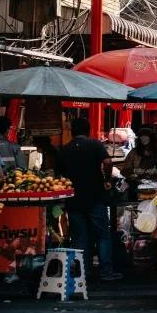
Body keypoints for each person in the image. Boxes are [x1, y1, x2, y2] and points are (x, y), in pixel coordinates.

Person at [57, 117, 122, 281]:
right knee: (102, 235)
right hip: (95, 197)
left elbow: (56, 174)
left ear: (72, 130)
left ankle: (82, 273)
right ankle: (105, 271)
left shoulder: (64, 149)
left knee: (79, 238)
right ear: (88, 129)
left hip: (73, 199)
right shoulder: (94, 144)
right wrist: (107, 179)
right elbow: (107, 161)